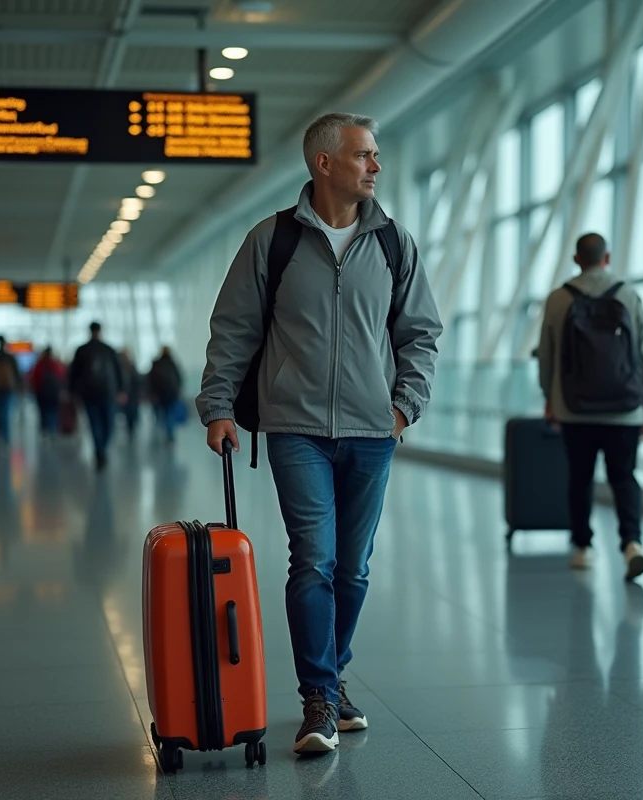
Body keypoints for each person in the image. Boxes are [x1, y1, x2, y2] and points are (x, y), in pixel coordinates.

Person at [197, 112, 442, 755]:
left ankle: (333, 682)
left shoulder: (394, 243)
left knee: (353, 569)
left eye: (378, 155)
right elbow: (234, 330)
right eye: (365, 154)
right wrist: (217, 406)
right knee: (314, 559)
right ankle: (317, 698)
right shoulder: (272, 240)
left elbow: (421, 332)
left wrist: (402, 409)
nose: (376, 166)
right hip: (294, 428)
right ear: (324, 163)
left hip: (371, 430)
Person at [537, 232, 643, 578]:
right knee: (624, 477)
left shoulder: (558, 299)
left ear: (577, 259)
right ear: (607, 258)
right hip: (625, 410)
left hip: (574, 408)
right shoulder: (628, 295)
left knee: (580, 477)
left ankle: (582, 546)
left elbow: (547, 357)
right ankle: (631, 543)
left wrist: (549, 398)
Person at [68, 322, 125, 469]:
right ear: (100, 331)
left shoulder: (81, 350)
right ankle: (102, 448)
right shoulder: (109, 350)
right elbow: (118, 371)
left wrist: (72, 391)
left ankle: (99, 450)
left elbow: (74, 373)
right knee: (108, 423)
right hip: (108, 392)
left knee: (94, 423)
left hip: (89, 393)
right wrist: (121, 390)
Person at [147, 346, 183, 442]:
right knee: (169, 414)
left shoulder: (156, 364)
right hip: (171, 394)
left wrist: (152, 393)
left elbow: (151, 381)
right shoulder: (173, 364)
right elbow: (179, 379)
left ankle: (161, 432)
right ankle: (169, 433)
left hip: (159, 395)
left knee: (160, 415)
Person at [28, 347, 66, 437]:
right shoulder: (56, 364)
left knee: (44, 413)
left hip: (42, 394)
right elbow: (62, 378)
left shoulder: (40, 364)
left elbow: (34, 379)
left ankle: (46, 430)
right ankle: (53, 430)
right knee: (54, 412)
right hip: (54, 394)